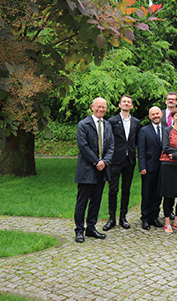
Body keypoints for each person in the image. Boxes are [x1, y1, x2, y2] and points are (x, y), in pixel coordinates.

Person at [74, 97, 114, 243]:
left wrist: (105, 161)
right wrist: (96, 161)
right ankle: (79, 230)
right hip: (87, 168)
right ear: (92, 107)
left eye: (104, 107)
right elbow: (83, 146)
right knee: (82, 201)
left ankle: (91, 227)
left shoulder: (107, 125)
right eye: (98, 107)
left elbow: (111, 146)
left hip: (102, 169)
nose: (101, 109)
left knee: (96, 201)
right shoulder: (83, 124)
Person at [103, 95, 141, 231]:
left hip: (129, 160)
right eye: (124, 102)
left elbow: (136, 140)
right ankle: (111, 218)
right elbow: (107, 140)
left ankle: (123, 217)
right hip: (115, 160)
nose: (126, 104)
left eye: (129, 102)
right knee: (113, 190)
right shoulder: (112, 121)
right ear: (119, 105)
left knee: (126, 189)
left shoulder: (136, 122)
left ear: (131, 106)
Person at [137, 107, 165, 230]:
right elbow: (141, 150)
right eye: (153, 114)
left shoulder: (166, 130)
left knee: (158, 193)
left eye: (157, 113)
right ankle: (145, 218)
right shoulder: (144, 131)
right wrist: (142, 166)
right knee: (147, 193)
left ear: (161, 115)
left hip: (163, 167)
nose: (155, 116)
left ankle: (154, 216)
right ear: (149, 116)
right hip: (148, 167)